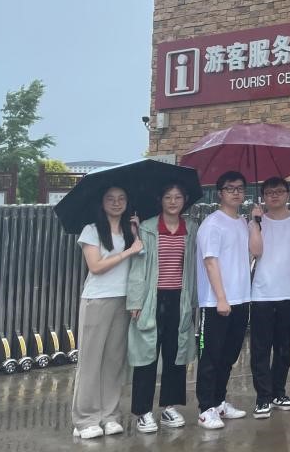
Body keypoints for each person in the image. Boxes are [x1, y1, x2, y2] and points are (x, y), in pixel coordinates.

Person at [71, 185, 141, 439]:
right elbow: (96, 266)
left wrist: (135, 235)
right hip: (97, 300)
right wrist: (128, 251)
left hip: (123, 300)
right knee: (91, 362)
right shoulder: (91, 230)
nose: (116, 203)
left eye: (122, 198)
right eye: (110, 198)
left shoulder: (130, 231)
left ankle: (109, 415)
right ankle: (85, 419)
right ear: (102, 202)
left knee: (114, 362)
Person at [127, 183, 196, 434]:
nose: (173, 201)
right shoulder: (147, 228)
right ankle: (143, 411)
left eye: (178, 197)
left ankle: (169, 406)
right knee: (146, 355)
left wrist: (194, 301)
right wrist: (135, 301)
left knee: (175, 353)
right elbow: (138, 265)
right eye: (168, 197)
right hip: (151, 299)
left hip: (179, 298)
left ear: (185, 200)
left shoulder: (192, 228)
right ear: (161, 200)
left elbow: (193, 267)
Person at [195, 170, 262, 430]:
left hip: (241, 298)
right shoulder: (212, 224)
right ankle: (205, 409)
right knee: (211, 356)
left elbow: (256, 251)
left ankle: (219, 401)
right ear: (219, 193)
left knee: (229, 355)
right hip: (217, 302)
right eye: (230, 188)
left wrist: (256, 222)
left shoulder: (242, 222)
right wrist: (221, 298)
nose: (236, 192)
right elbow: (210, 262)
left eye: (240, 188)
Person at [248, 177, 290, 418]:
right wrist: (255, 223)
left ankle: (279, 392)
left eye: (278, 191)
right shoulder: (256, 221)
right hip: (262, 293)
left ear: (288, 194)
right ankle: (262, 397)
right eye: (268, 192)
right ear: (263, 196)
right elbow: (254, 252)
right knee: (260, 348)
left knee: (283, 347)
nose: (274, 195)